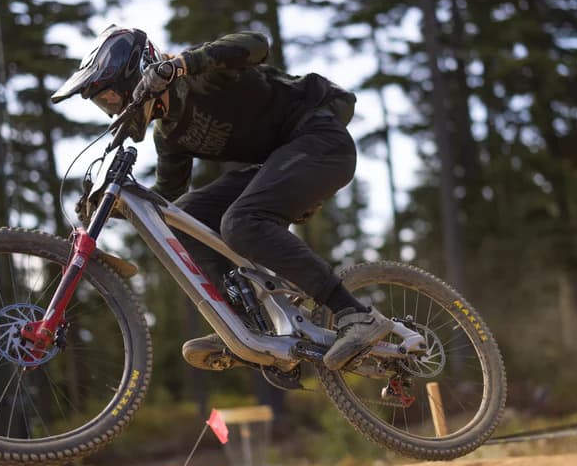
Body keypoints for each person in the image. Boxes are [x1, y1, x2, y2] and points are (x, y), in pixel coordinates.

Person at [52, 26, 394, 370]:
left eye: (110, 97)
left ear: (136, 71)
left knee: (241, 223)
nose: (111, 109)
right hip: (281, 163)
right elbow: (167, 199)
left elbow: (258, 44)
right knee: (184, 217)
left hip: (320, 138)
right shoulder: (169, 134)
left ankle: (355, 314)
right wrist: (114, 208)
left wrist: (183, 63)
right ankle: (246, 327)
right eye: (102, 104)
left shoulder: (198, 76)